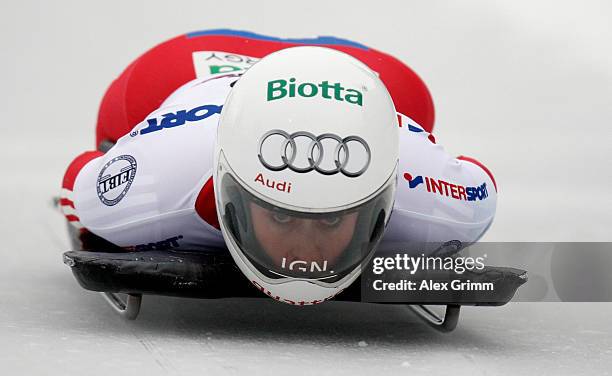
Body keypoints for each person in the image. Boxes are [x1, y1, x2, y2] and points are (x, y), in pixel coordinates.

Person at [60, 30, 497, 305]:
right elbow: (82, 181)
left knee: (415, 101)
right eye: (282, 214)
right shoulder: (155, 182)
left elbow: (478, 183)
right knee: (119, 120)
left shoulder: (431, 195)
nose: (303, 252)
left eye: (329, 219)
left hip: (372, 81)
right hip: (181, 70)